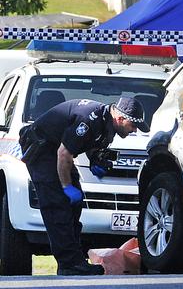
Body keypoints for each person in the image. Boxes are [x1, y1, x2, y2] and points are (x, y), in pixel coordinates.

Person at [18, 97, 149, 276]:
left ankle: (75, 260)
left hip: (58, 152)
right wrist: (66, 186)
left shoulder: (106, 121)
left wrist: (96, 159)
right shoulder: (89, 119)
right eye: (133, 126)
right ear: (120, 119)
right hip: (43, 149)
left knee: (74, 205)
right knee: (58, 207)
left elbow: (86, 143)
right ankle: (69, 265)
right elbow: (63, 154)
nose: (134, 131)